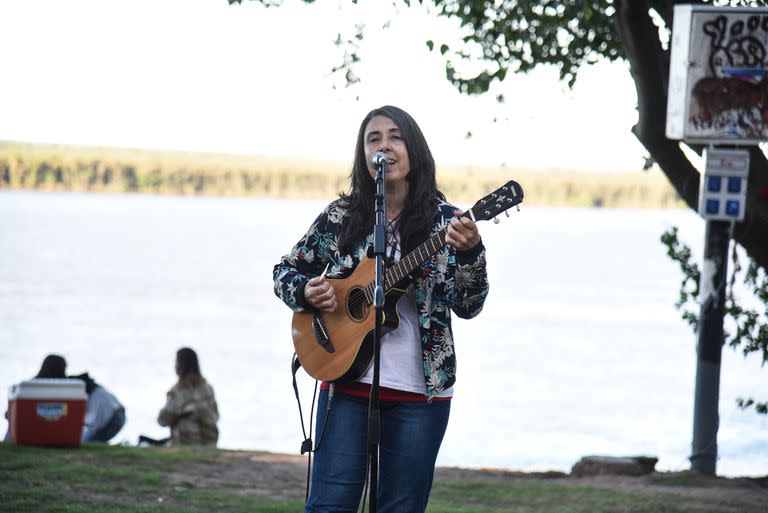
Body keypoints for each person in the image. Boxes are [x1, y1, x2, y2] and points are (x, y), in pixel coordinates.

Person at [273, 105, 490, 513]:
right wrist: (306, 291)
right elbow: (285, 270)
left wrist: (470, 253)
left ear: (413, 151)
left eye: (395, 137)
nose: (384, 146)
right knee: (328, 506)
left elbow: (469, 305)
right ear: (364, 155)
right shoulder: (341, 217)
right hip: (344, 380)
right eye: (374, 139)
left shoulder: (447, 222)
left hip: (419, 393)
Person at [153, 347, 219, 446]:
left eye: (176, 362)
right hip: (210, 441)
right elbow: (216, 416)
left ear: (180, 365)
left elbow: (163, 420)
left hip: (186, 442)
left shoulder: (177, 392)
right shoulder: (207, 388)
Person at [71, 373, 126, 443]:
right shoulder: (97, 390)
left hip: (114, 419)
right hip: (116, 416)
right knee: (86, 439)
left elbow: (89, 419)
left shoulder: (94, 393)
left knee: (85, 440)